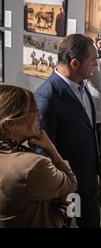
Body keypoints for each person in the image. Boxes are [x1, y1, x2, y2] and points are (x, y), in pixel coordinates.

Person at [35, 34, 100, 228]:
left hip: (88, 180)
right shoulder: (47, 97)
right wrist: (60, 186)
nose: (96, 64)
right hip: (67, 188)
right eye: (93, 60)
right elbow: (43, 151)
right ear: (75, 63)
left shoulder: (82, 84)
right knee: (65, 224)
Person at [0, 85, 77, 228]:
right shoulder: (33, 166)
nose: (39, 116)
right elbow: (71, 185)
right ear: (11, 124)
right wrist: (52, 150)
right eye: (33, 111)